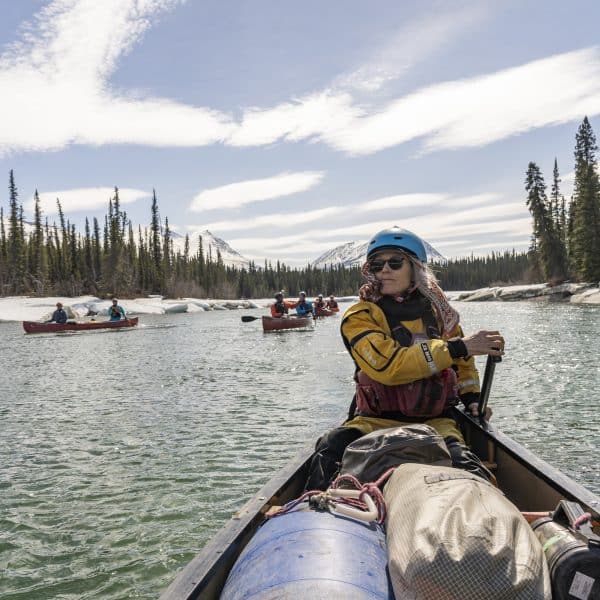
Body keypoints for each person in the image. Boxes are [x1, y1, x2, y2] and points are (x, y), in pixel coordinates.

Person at [305, 226, 505, 490]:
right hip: (372, 422)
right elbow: (389, 365)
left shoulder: (442, 315)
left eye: (395, 262)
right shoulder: (360, 316)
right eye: (377, 265)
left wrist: (472, 399)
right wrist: (457, 348)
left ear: (415, 268)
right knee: (329, 450)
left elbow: (464, 367)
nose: (384, 270)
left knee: (471, 472)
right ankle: (312, 506)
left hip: (437, 423)